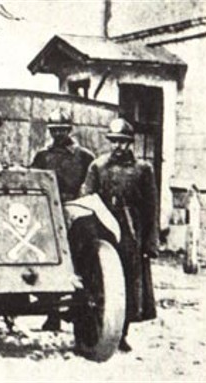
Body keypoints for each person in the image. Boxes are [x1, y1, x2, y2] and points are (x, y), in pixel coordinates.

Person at [80, 118, 158, 352]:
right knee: (95, 279)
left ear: (130, 143)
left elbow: (151, 207)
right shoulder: (98, 166)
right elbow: (86, 198)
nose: (117, 147)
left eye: (122, 142)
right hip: (102, 228)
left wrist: (150, 241)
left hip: (130, 231)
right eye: (114, 141)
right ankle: (88, 332)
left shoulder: (143, 169)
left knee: (129, 282)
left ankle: (122, 333)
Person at [31, 109, 95, 331]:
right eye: (54, 130)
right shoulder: (42, 156)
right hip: (46, 213)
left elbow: (90, 188)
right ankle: (51, 314)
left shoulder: (84, 157)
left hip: (72, 214)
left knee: (77, 261)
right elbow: (33, 183)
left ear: (70, 129)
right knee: (48, 259)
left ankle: (78, 311)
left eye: (62, 129)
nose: (58, 134)